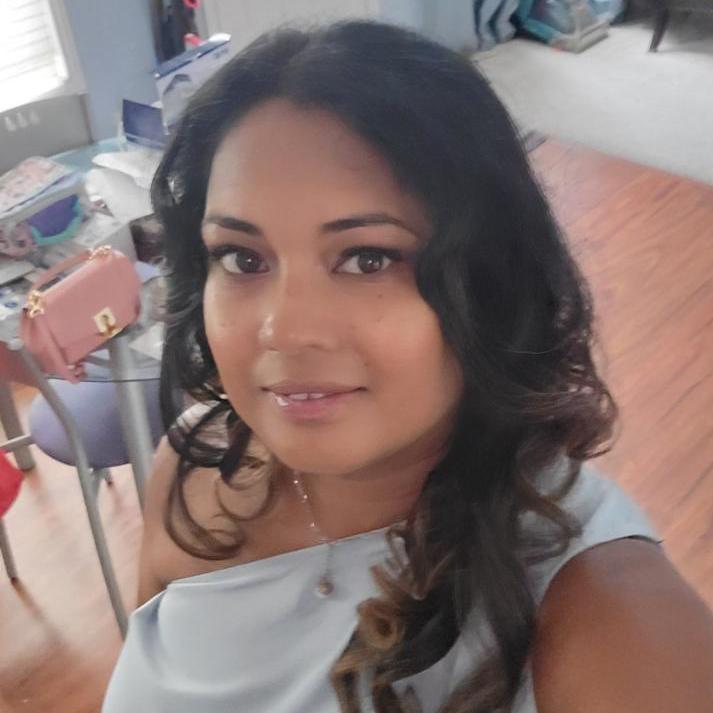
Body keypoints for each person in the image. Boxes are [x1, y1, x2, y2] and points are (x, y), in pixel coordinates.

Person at [102, 20, 713, 713]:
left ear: (491, 279)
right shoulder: (192, 465)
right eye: (243, 258)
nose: (283, 329)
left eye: (368, 258)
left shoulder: (605, 616)